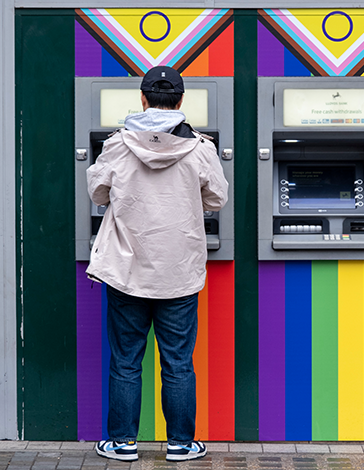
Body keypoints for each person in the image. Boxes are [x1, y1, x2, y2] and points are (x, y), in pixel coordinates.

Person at [86, 66, 228, 462]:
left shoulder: (117, 144)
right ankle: (181, 444)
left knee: (127, 359)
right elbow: (217, 199)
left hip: (127, 270)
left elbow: (98, 193)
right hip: (178, 272)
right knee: (178, 363)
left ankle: (122, 443)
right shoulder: (200, 148)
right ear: (181, 102)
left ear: (143, 99)